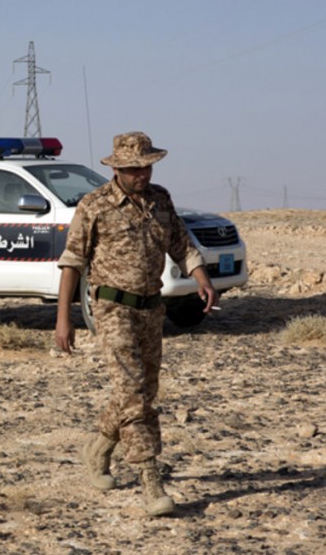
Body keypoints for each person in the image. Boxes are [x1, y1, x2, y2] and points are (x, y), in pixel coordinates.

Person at [54, 131, 216, 517]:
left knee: (144, 391)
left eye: (146, 167)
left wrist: (201, 277)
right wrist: (63, 320)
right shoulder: (95, 205)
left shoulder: (161, 199)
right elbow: (72, 262)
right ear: (117, 169)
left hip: (151, 309)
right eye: (133, 169)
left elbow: (181, 244)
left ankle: (98, 448)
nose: (141, 174)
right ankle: (150, 480)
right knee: (132, 392)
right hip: (112, 308)